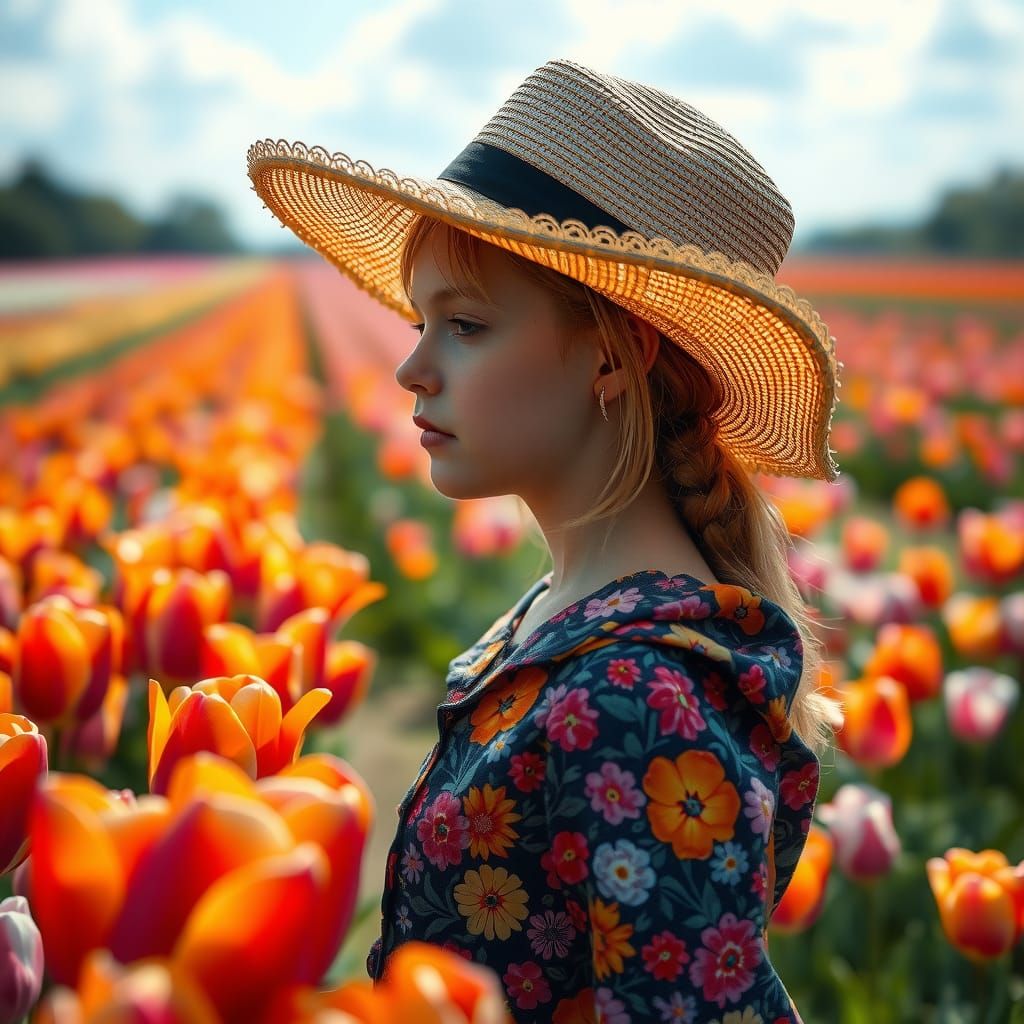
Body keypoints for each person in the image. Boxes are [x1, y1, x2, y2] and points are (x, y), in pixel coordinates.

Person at [249, 56, 844, 1023]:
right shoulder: (567, 622)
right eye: (419, 320)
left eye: (467, 325)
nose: (410, 367)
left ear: (612, 355)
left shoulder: (645, 702)